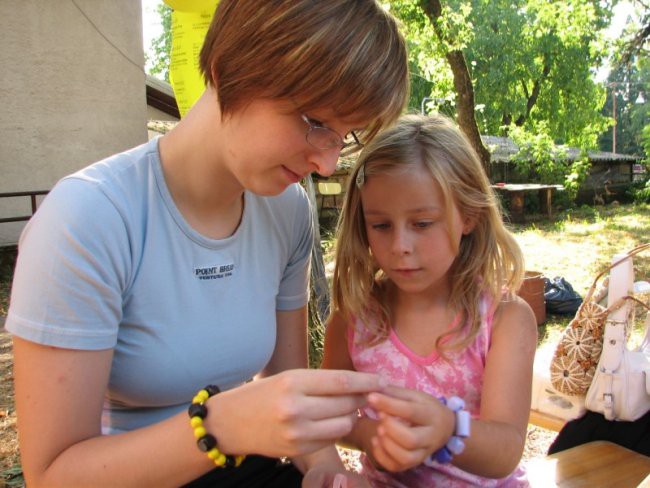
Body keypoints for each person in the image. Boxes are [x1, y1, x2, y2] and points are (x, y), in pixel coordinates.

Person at [6, 1, 409, 486]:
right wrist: (221, 426)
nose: (326, 163)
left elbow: (285, 385)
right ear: (229, 67)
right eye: (316, 121)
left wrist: (326, 469)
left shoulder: (286, 211)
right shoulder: (90, 218)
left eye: (343, 137)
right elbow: (51, 476)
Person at [322, 114, 538, 487]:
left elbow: (506, 449)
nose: (400, 247)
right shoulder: (354, 318)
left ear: (468, 216)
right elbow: (327, 416)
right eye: (381, 225)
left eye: (422, 224)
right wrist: (369, 436)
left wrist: (449, 428)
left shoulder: (504, 320)